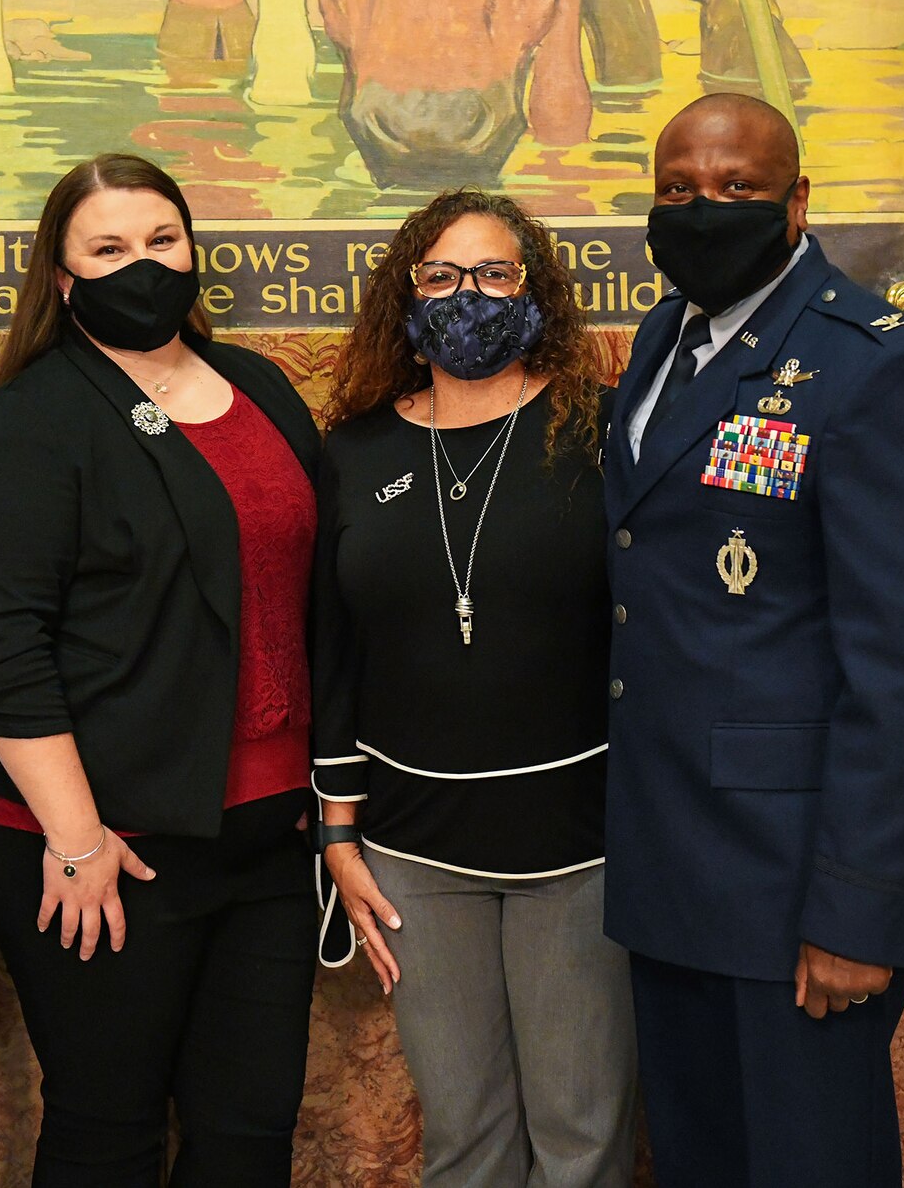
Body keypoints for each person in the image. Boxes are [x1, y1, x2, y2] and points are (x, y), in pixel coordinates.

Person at [605, 93, 904, 1186]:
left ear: (795, 201)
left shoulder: (877, 366)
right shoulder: (659, 341)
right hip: (671, 865)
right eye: (675, 189)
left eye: (735, 187)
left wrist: (860, 909)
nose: (701, 207)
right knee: (696, 1160)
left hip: (795, 892)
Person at [0, 152, 322, 1185]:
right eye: (108, 248)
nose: (142, 264)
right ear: (62, 281)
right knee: (106, 1133)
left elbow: (307, 588)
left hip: (262, 840)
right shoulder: (30, 420)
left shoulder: (257, 384)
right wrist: (73, 839)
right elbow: (5, 647)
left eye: (161, 239)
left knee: (248, 1135)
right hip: (98, 848)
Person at [312, 188, 636, 1187]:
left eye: (494, 273)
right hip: (412, 854)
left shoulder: (597, 431)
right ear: (404, 295)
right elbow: (333, 645)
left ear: (533, 291)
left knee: (579, 1140)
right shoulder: (356, 450)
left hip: (579, 847)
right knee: (463, 1140)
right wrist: (336, 833)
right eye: (442, 275)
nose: (469, 296)